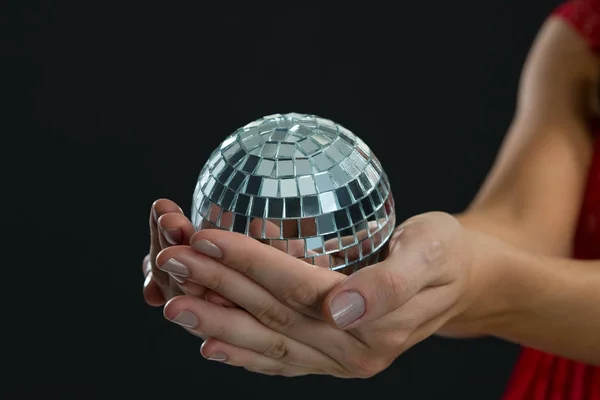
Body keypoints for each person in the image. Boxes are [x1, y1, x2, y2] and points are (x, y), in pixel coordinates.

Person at [142, 0, 600, 397]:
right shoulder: (581, 35)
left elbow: (494, 275)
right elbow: (524, 228)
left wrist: (477, 282)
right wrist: (422, 272)